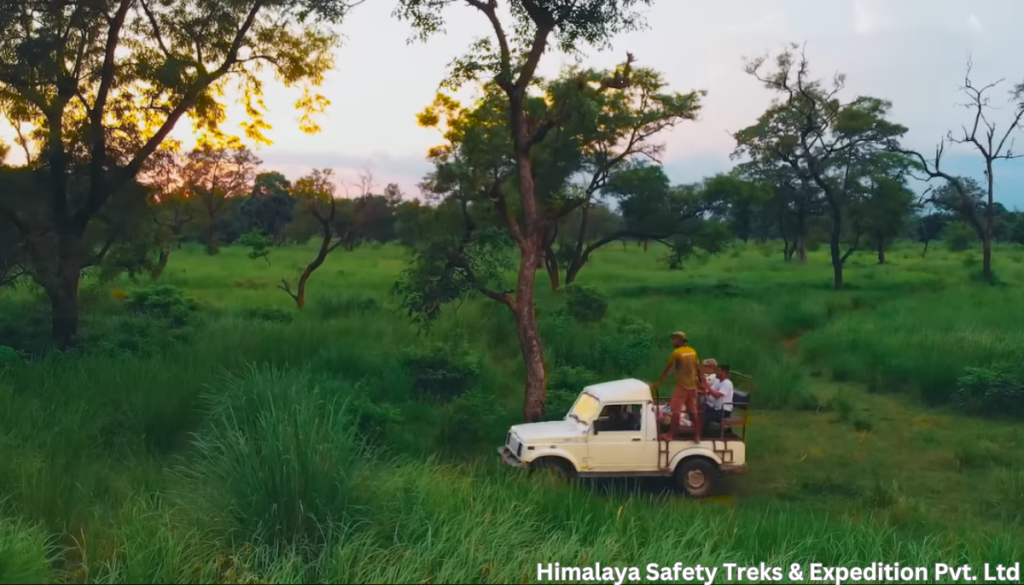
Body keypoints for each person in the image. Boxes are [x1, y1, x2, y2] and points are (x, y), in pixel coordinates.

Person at [651, 331, 708, 442]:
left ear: (679, 340)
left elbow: (668, 369)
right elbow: (698, 368)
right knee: (693, 411)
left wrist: (659, 382)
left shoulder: (677, 353)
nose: (673, 342)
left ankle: (671, 435)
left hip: (682, 386)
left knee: (675, 410)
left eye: (674, 339)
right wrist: (702, 383)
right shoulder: (692, 351)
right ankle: (697, 436)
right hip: (692, 387)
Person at [703, 364, 735, 429]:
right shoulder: (718, 382)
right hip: (716, 409)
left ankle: (710, 434)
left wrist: (707, 386)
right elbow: (710, 392)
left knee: (705, 418)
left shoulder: (727, 383)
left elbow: (717, 395)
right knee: (701, 412)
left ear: (724, 372)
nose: (716, 373)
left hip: (723, 411)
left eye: (718, 371)